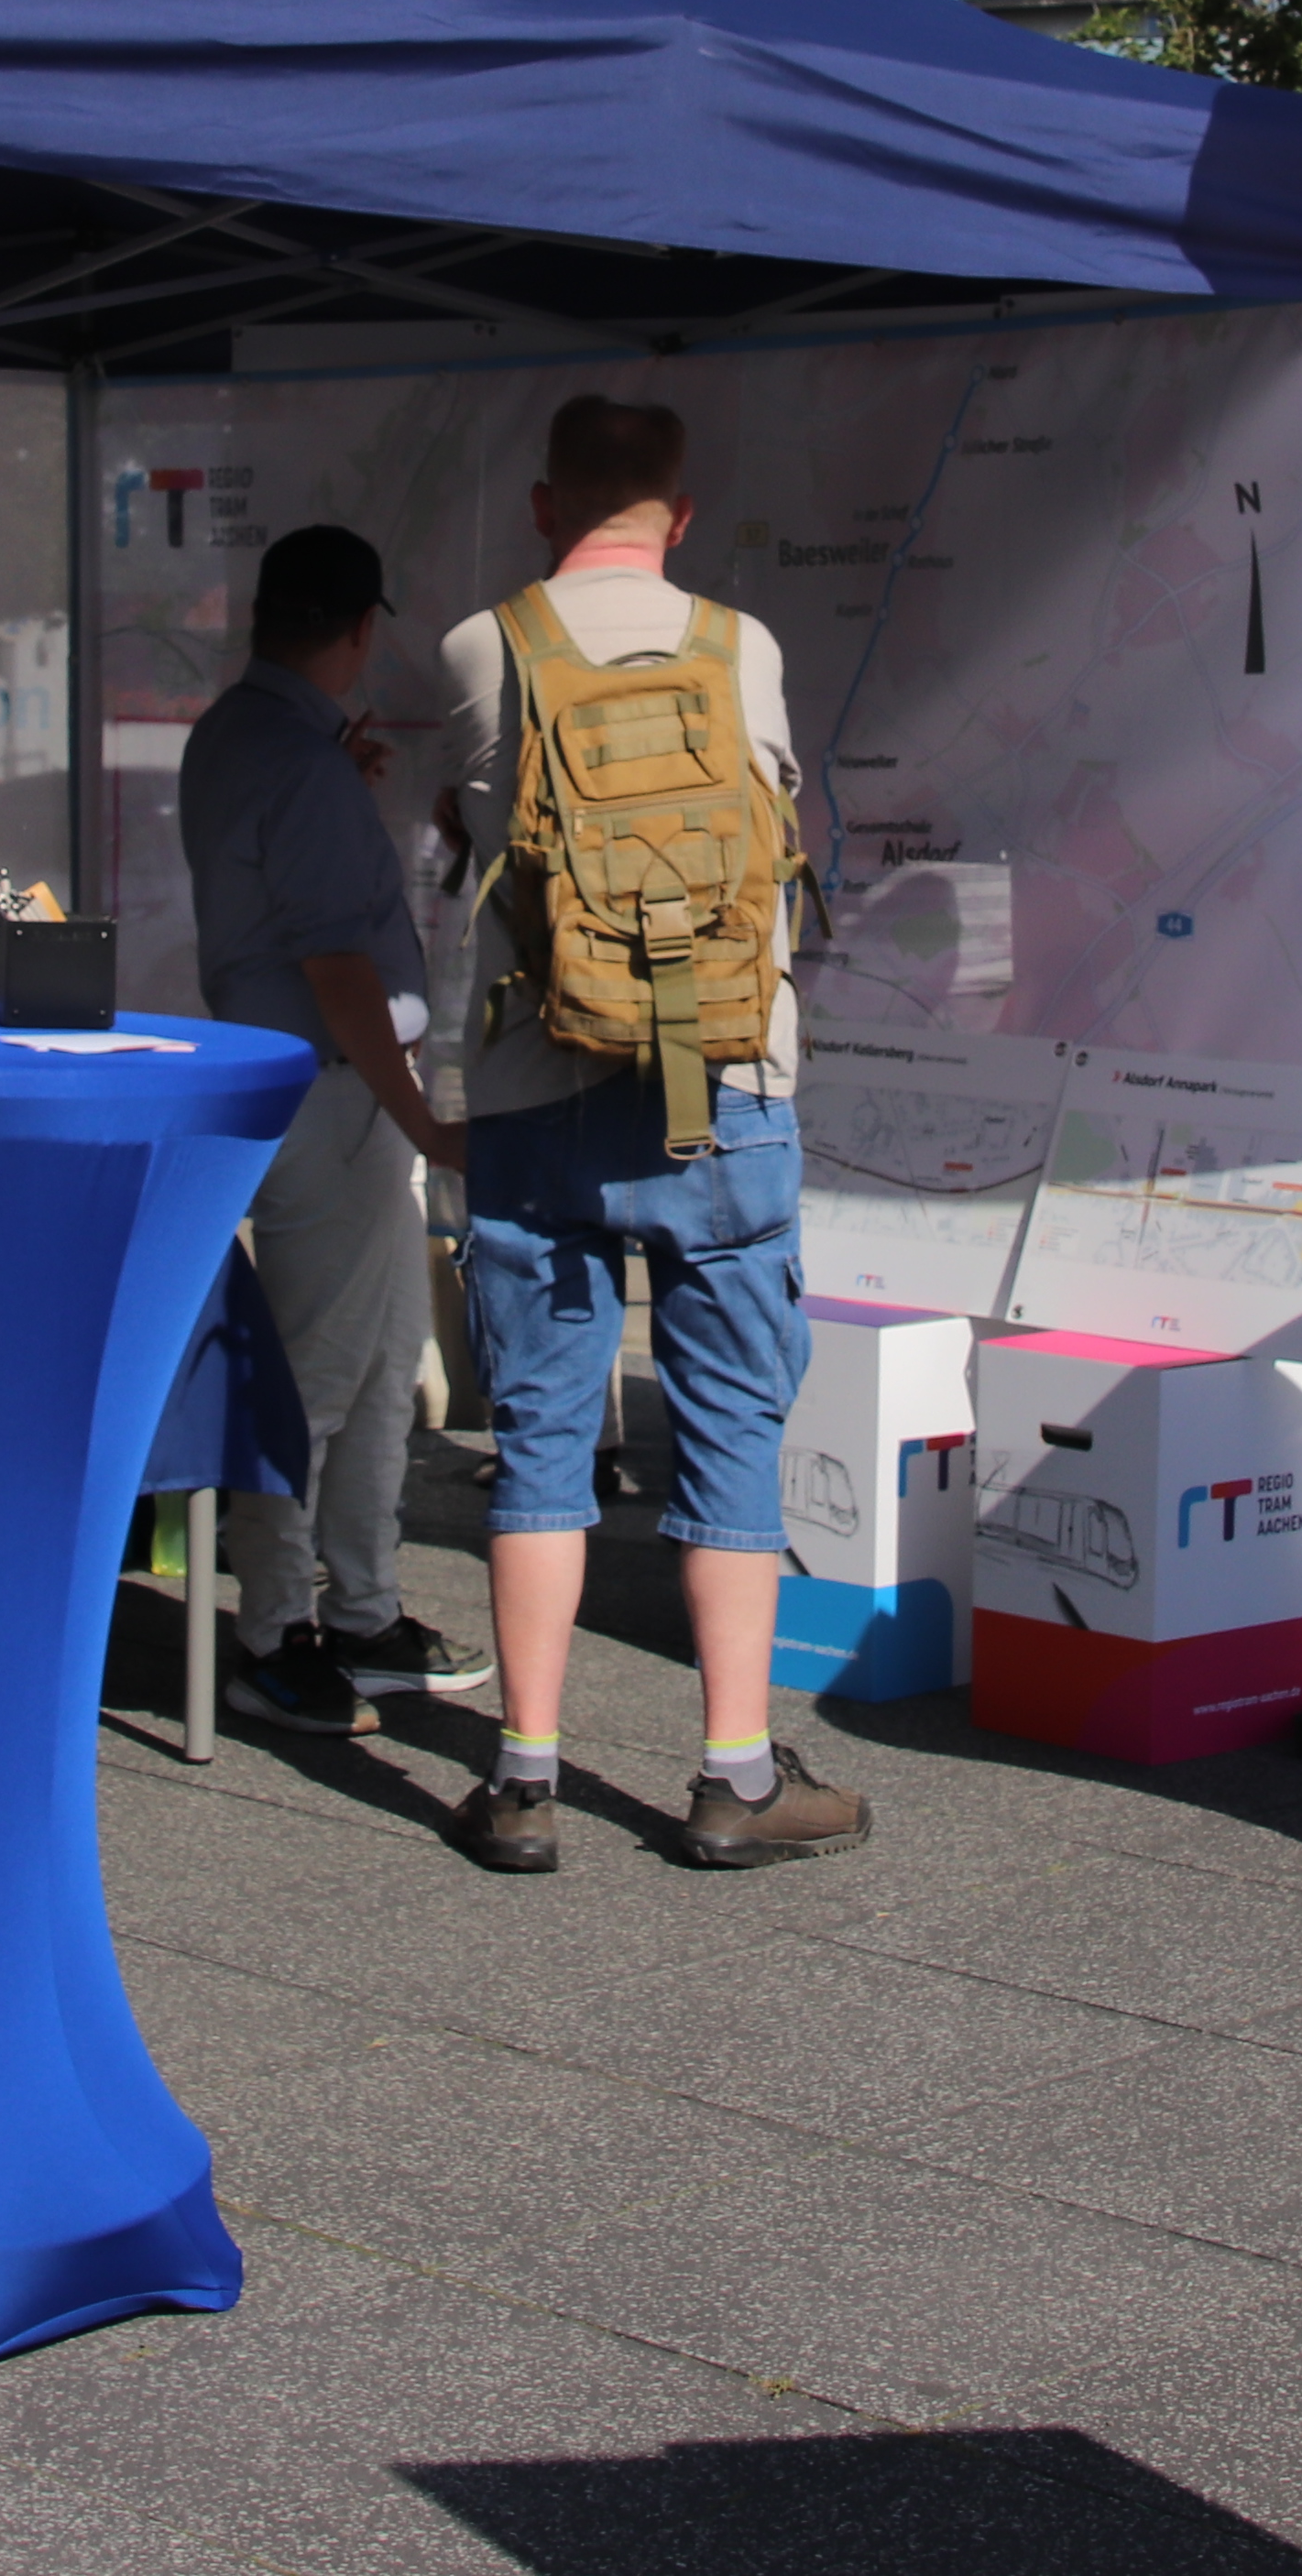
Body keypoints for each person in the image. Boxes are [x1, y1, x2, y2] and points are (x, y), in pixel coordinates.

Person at [432, 394, 863, 1874]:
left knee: (542, 1438)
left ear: (548, 504)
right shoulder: (745, 648)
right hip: (723, 1087)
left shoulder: (479, 647)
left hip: (534, 1093)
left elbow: (481, 846)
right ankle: (733, 1773)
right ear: (678, 518)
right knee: (732, 1421)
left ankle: (527, 1778)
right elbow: (777, 838)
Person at [179, 525, 489, 1737]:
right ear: (362, 630)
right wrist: (423, 1117)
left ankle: (359, 1608)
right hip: (342, 1091)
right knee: (322, 1371)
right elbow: (334, 963)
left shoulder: (245, 738)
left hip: (331, 1091)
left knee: (373, 1368)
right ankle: (277, 1630)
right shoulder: (298, 764)